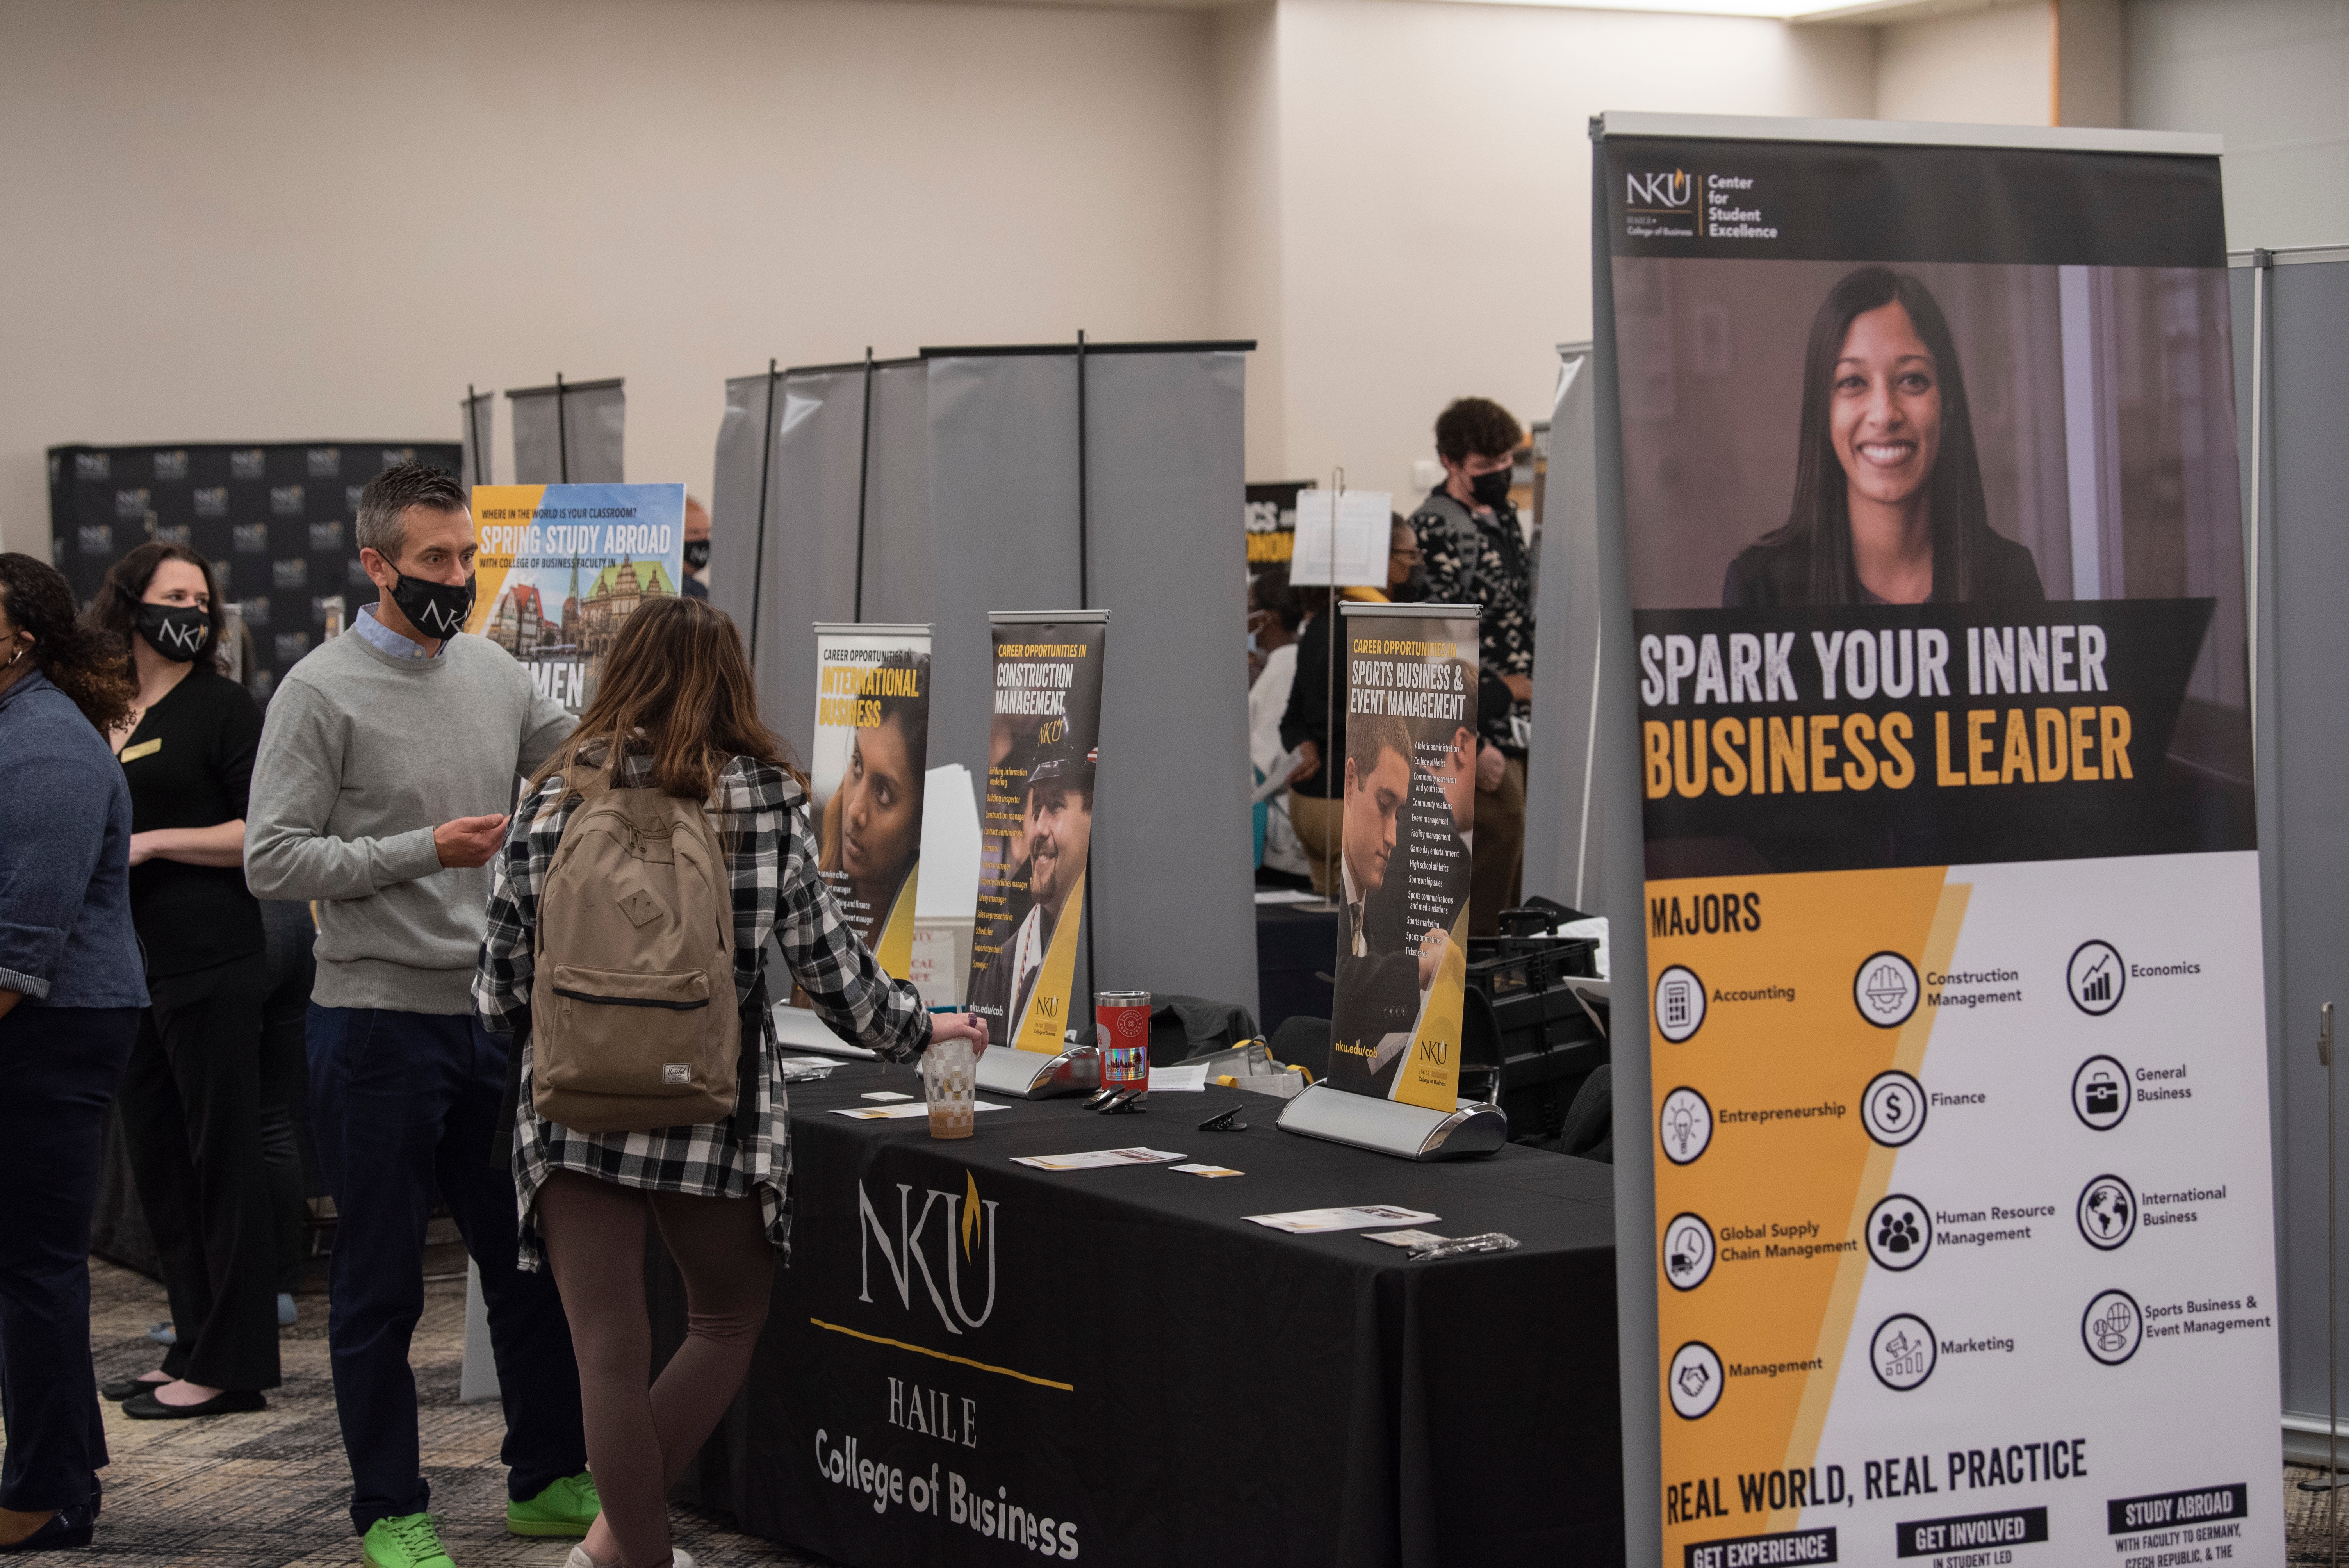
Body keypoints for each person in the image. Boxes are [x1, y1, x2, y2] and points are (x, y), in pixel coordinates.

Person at [474, 596, 987, 1568]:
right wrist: (925, 1029)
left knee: (607, 1354)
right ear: (730, 682)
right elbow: (831, 972)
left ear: (621, 671)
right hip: (713, 1103)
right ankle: (626, 1555)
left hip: (572, 1104)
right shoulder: (763, 796)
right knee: (724, 1317)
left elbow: (496, 988)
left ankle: (623, 1554)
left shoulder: (554, 794)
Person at [244, 461, 595, 1568]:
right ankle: (389, 1507)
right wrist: (424, 850)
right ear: (377, 564)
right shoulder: (318, 692)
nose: (456, 576)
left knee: (527, 1264)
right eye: (434, 559)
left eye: (467, 556)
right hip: (373, 1024)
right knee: (382, 1284)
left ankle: (548, 1476)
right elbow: (271, 859)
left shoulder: (492, 669)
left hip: (490, 1019)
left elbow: (586, 756)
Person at [87, 542, 280, 1419]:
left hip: (211, 958)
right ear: (130, 605)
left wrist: (153, 844)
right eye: (174, 597)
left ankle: (235, 1365)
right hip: (126, 964)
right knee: (161, 1163)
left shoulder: (222, 706)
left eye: (201, 601)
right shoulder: (102, 706)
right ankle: (192, 1341)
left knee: (221, 1160)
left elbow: (261, 832)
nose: (191, 613)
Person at [0, 553, 146, 1554]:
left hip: (51, 1023)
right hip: (41, 1018)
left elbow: (22, 943)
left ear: (22, 636)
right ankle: (67, 1473)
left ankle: (45, 1494)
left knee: (34, 1266)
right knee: (27, 1263)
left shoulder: (47, 742)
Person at [1723, 265, 2044, 607]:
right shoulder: (1759, 589)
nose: (1885, 414)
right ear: (1823, 412)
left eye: (1912, 380)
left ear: (1948, 405)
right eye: (1853, 382)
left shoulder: (2011, 577)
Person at [1412, 398, 1534, 935]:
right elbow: (1436, 642)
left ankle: (1513, 970)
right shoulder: (1435, 528)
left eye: (1506, 461)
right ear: (1449, 462)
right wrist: (1471, 738)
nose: (1499, 473)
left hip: (1521, 718)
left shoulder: (1504, 518)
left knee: (1522, 854)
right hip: (1477, 720)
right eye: (1484, 466)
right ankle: (1476, 968)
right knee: (1497, 836)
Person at [1278, 518, 1424, 895]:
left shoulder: (1320, 624)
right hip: (1353, 807)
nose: (1416, 565)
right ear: (1378, 559)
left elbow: (1292, 718)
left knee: (1325, 923)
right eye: (1410, 554)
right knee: (1364, 927)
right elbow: (1405, 723)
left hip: (1309, 806)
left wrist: (1306, 744)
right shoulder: (1382, 626)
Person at [965, 737, 1093, 1038]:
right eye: (1036, 809)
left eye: (1056, 806)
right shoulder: (1001, 965)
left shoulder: (1106, 948)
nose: (1038, 829)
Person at [816, 649, 929, 945]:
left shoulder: (929, 948)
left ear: (921, 824)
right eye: (857, 764)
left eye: (883, 793)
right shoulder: (811, 870)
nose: (855, 811)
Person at [679, 497, 711, 601]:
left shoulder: (698, 589)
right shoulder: (693, 593)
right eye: (694, 533)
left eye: (707, 532)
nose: (704, 539)